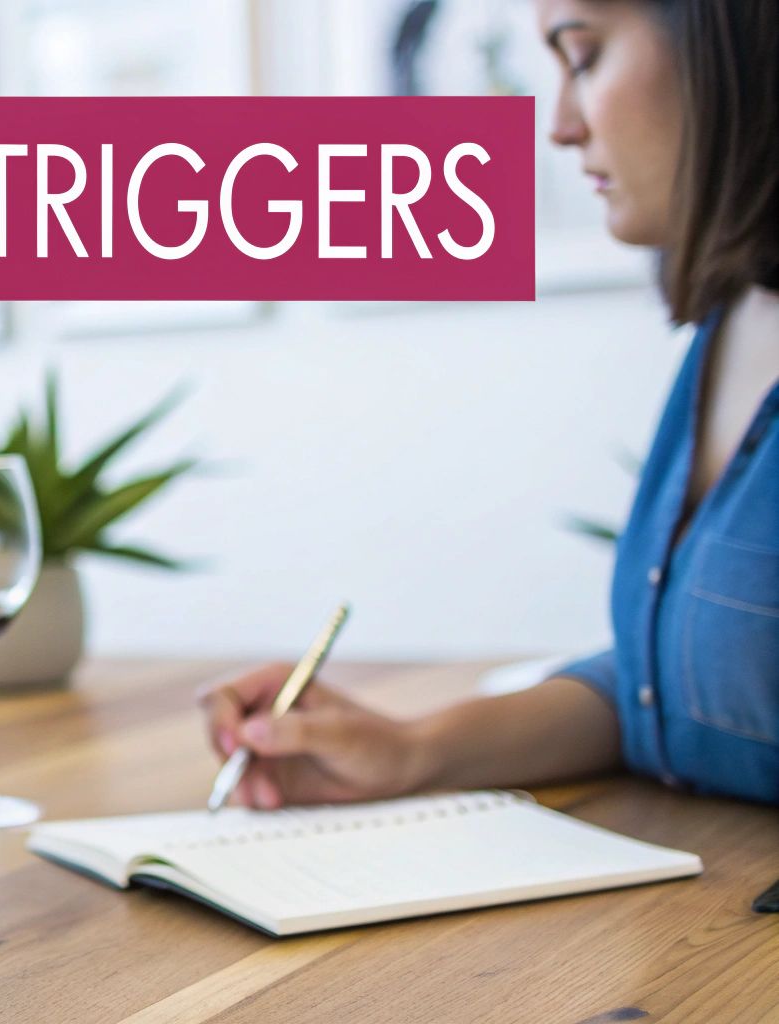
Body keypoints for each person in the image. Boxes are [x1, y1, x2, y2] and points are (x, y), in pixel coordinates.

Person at [202, 0, 779, 808]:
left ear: (735, 42)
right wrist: (411, 750)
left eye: (583, 58)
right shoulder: (731, 323)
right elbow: (674, 694)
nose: (561, 126)